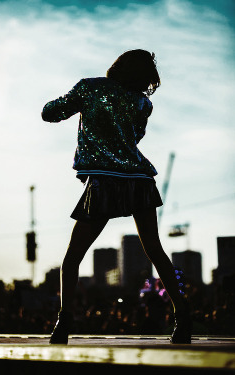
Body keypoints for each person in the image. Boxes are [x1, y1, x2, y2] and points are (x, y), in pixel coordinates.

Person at [41, 49, 191, 344]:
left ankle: (64, 322)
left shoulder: (89, 87)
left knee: (73, 257)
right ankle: (183, 316)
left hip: (104, 182)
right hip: (139, 180)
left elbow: (50, 113)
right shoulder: (142, 103)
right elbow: (135, 137)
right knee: (156, 251)